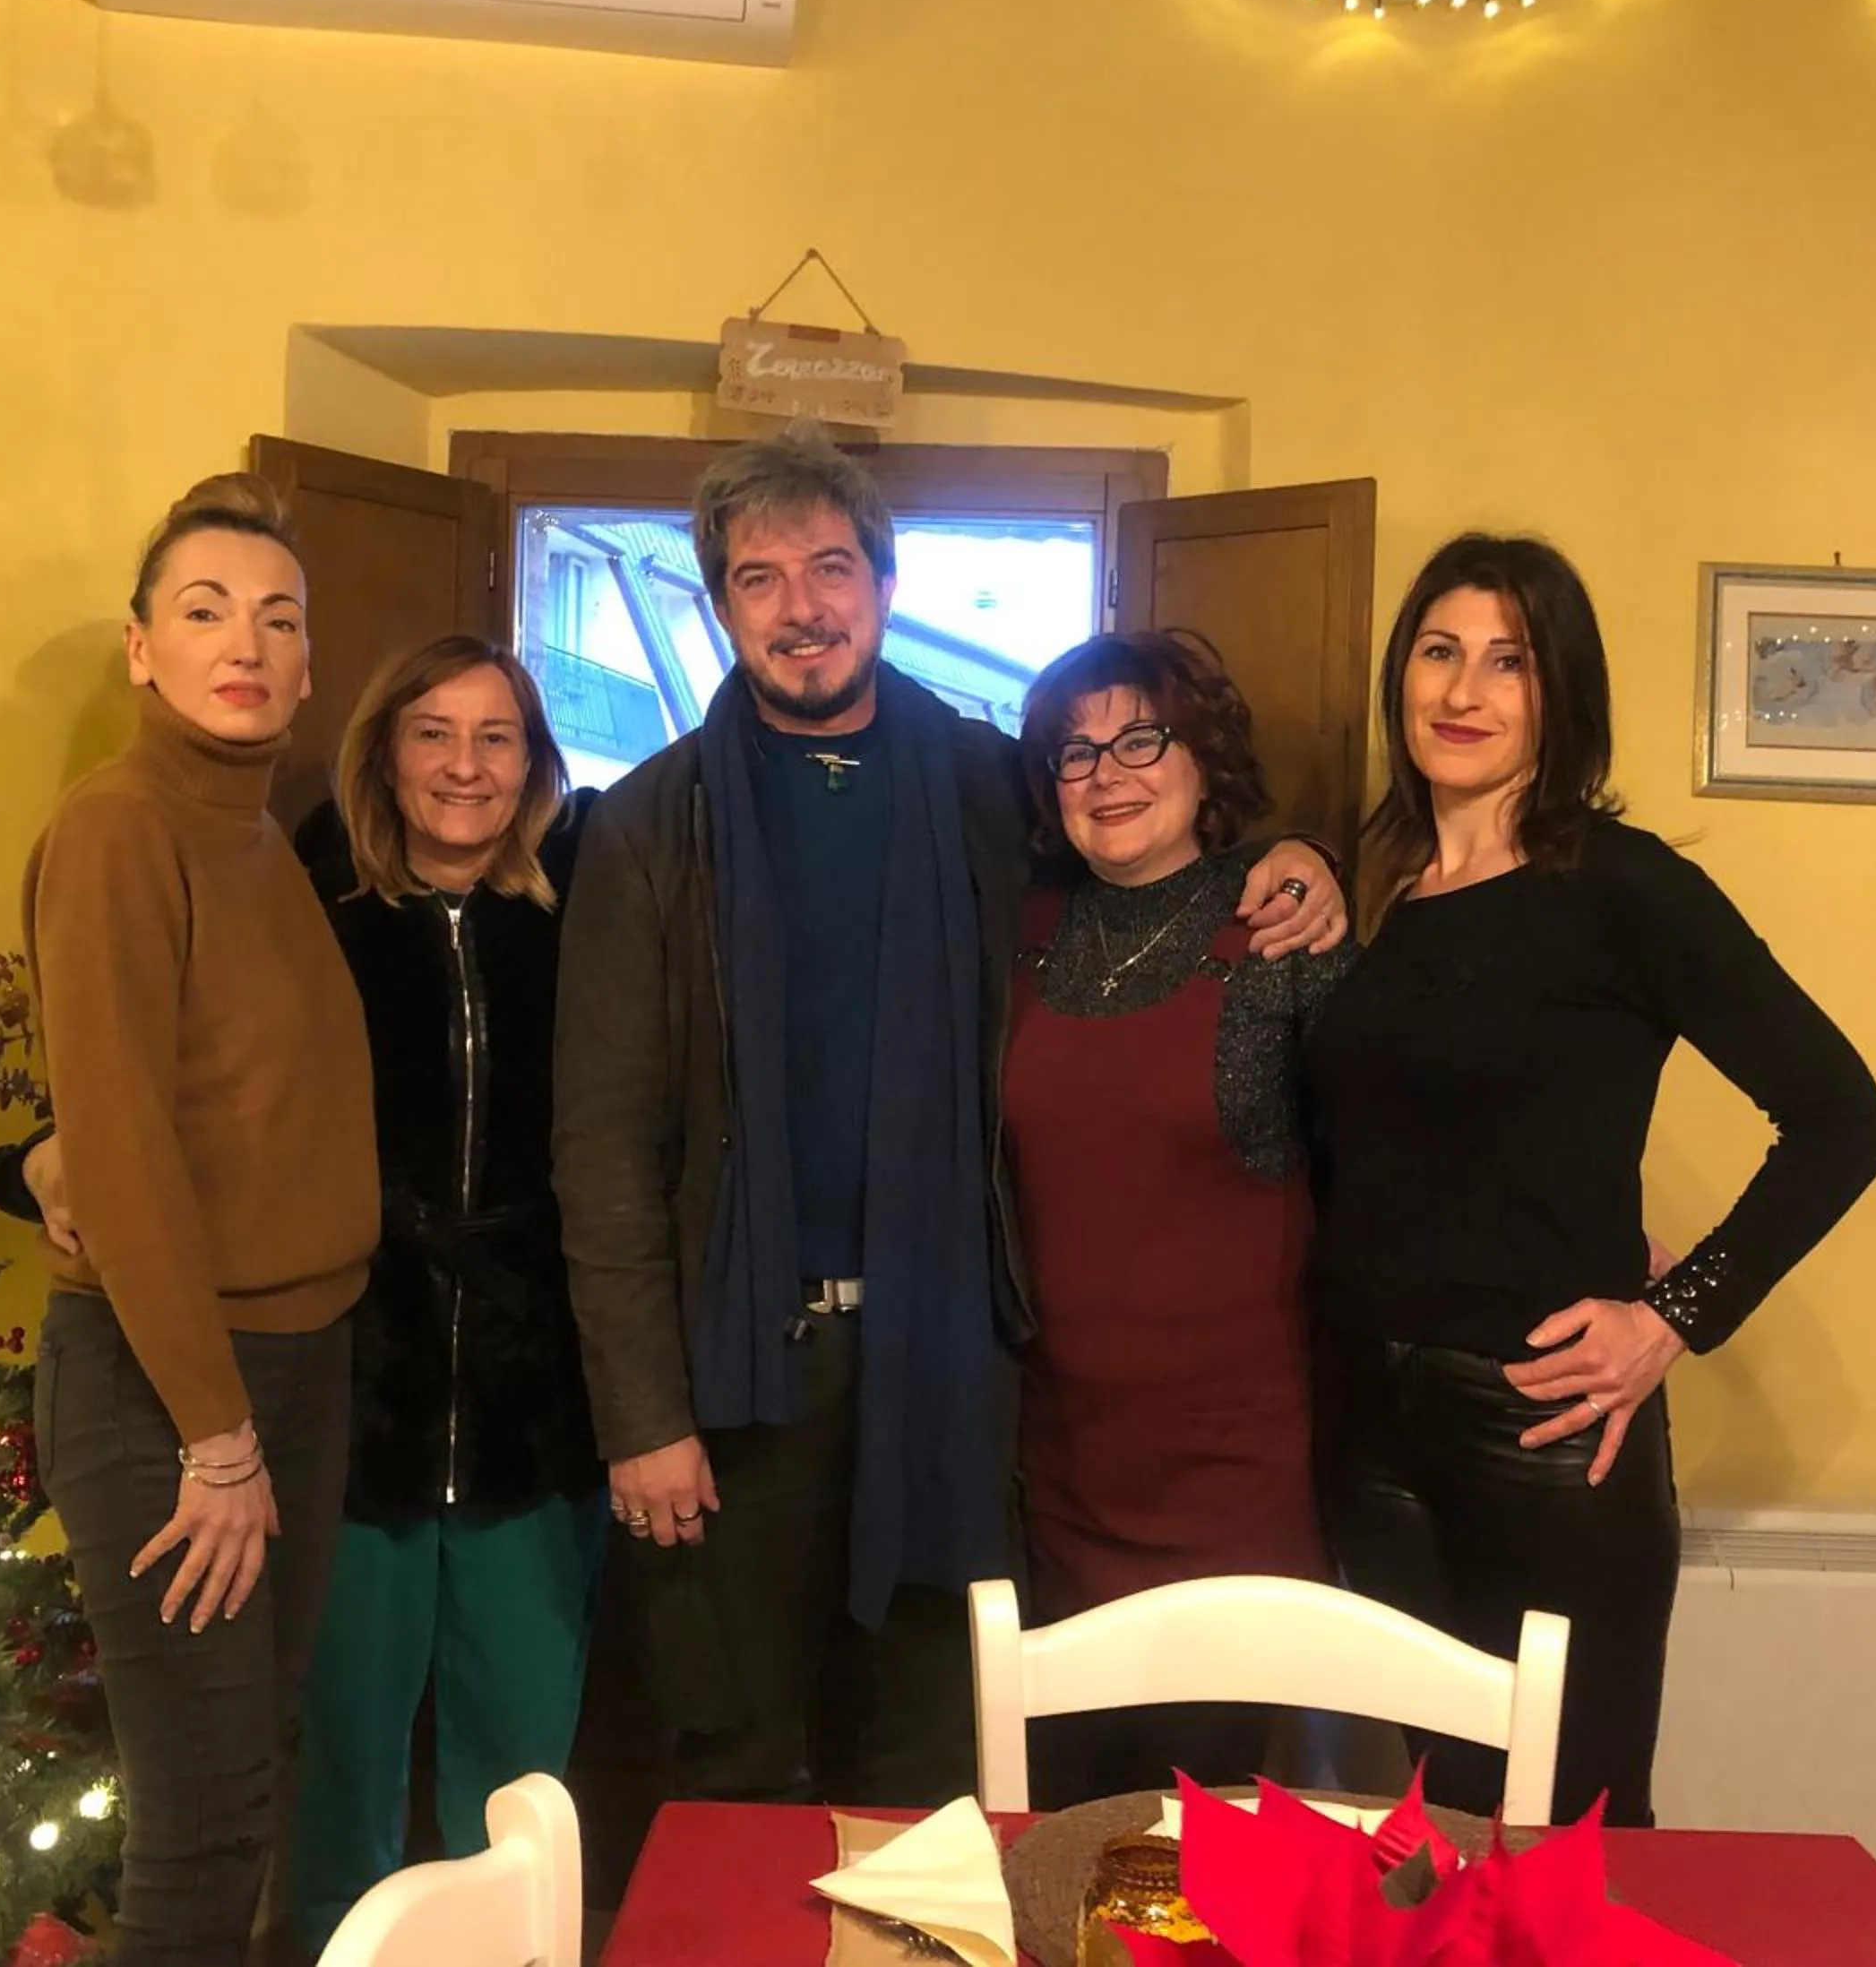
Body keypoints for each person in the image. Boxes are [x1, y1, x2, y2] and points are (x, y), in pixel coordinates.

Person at [550, 421, 1348, 1807]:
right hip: (735, 1374)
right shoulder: (648, 825)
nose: (803, 607)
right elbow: (602, 1142)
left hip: (952, 1367)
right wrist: (639, 1414)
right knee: (728, 1757)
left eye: (831, 566)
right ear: (719, 601)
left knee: (934, 1755)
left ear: (885, 579)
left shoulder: (990, 786)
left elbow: (1144, 864)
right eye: (759, 578)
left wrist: (1294, 858)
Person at [14, 637, 610, 1959]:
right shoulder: (298, 899)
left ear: (535, 763)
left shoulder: (589, 917)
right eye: (433, 733)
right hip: (347, 1389)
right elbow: (165, 1085)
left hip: (535, 1401)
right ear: (380, 753)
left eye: (497, 736)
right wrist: (41, 1155)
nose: (465, 765)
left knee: (520, 1770)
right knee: (335, 1769)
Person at [1304, 532, 1876, 1828]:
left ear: (1560, 694)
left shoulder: (1626, 887)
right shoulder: (1386, 883)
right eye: (1440, 652)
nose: (1463, 692)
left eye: (1508, 662)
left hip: (1541, 1433)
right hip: (1367, 1425)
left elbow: (1845, 1118)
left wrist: (1675, 1314)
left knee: (1570, 1842)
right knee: (1439, 1830)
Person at [22, 473, 379, 1964]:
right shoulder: (119, 828)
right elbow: (120, 1159)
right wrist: (216, 1435)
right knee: (202, 1829)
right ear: (139, 646)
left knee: (258, 1782)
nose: (245, 641)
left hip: (293, 1364)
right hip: (174, 1389)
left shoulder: (259, 836)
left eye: (278, 617)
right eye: (205, 609)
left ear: (308, 664)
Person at [1003, 629, 1357, 1806]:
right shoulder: (1022, 933)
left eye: (1141, 738)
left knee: (1192, 1853)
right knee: (1057, 1842)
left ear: (1207, 757)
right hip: (1055, 1476)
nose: (1107, 772)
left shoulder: (1285, 934)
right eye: (1074, 750)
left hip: (1233, 1484)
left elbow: (1396, 1158)